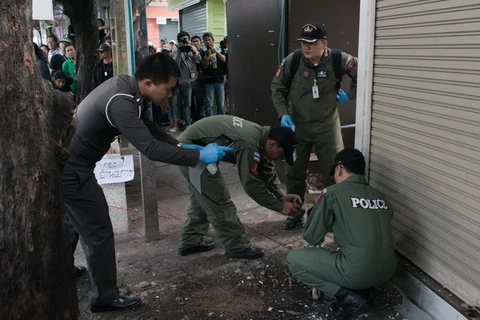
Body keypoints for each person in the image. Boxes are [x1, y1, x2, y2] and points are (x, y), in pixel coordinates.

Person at [63, 53, 232, 313]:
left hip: (72, 164)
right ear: (149, 83)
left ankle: (60, 268)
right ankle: (104, 297)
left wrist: (180, 145)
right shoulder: (120, 101)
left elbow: (149, 128)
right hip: (72, 169)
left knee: (74, 221)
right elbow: (150, 148)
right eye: (169, 89)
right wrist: (198, 155)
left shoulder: (128, 90)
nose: (170, 95)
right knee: (98, 229)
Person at [286, 148, 397, 319]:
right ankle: (366, 288)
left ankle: (347, 296)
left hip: (358, 271)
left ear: (339, 168)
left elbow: (312, 236)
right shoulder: (380, 197)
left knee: (294, 260)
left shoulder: (332, 193)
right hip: (388, 270)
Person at [271, 21, 358, 230]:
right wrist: (283, 114)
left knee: (334, 172)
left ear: (324, 43)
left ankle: (327, 215)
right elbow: (277, 87)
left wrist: (350, 95)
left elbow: (364, 73)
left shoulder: (339, 59)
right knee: (295, 172)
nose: (306, 47)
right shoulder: (294, 61)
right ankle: (295, 214)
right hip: (298, 127)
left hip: (327, 126)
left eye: (311, 42)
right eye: (303, 42)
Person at [177, 115, 301, 260]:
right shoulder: (248, 144)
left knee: (203, 198)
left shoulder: (260, 136)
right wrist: (279, 207)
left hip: (197, 147)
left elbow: (265, 168)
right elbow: (251, 185)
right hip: (192, 151)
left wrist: (280, 195)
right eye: (281, 155)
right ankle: (237, 247)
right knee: (219, 199)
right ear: (272, 144)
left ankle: (190, 240)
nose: (280, 159)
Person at [172, 31, 201, 128]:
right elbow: (175, 64)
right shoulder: (176, 50)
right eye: (183, 39)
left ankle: (194, 120)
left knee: (195, 102)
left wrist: (194, 51)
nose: (185, 41)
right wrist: (180, 50)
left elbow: (199, 59)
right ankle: (188, 123)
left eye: (187, 39)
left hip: (194, 79)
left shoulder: (192, 48)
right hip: (184, 81)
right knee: (186, 103)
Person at [201, 32, 227, 116]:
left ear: (213, 40)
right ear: (204, 42)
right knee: (209, 103)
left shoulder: (219, 48)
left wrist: (216, 52)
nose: (208, 42)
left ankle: (221, 120)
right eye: (206, 40)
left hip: (219, 79)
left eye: (209, 40)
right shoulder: (203, 51)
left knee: (221, 103)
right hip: (208, 80)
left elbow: (223, 60)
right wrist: (207, 56)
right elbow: (204, 66)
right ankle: (210, 121)